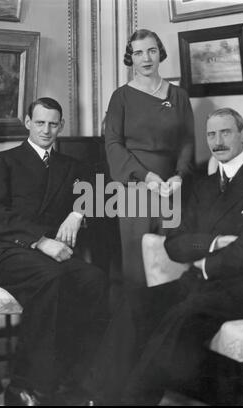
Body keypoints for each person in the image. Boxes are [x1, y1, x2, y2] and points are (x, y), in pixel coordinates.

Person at [85, 108, 243, 405]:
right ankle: (101, 401)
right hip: (196, 279)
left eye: (226, 132)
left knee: (182, 315)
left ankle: (134, 405)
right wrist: (212, 243)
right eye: (211, 134)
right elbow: (175, 244)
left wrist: (208, 261)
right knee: (136, 303)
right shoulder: (201, 185)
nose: (218, 141)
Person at [0, 97, 109, 406]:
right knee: (51, 278)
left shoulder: (71, 166)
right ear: (28, 123)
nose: (46, 130)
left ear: (60, 125)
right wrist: (39, 240)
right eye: (40, 123)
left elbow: (97, 193)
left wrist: (77, 214)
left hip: (49, 253)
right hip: (7, 251)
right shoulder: (4, 160)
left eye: (53, 124)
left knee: (95, 278)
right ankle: (25, 384)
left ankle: (76, 378)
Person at [105, 29, 195, 288]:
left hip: (173, 187)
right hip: (136, 188)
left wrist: (179, 176)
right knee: (137, 266)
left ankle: (169, 325)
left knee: (171, 261)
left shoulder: (179, 95)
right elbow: (113, 144)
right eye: (139, 52)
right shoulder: (120, 97)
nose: (146, 58)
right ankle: (140, 325)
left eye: (152, 50)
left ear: (160, 53)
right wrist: (146, 177)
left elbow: (187, 141)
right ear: (130, 57)